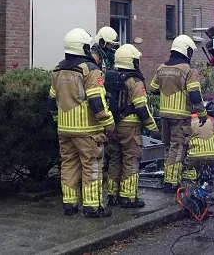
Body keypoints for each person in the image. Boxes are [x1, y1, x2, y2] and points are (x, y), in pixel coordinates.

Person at [48, 28, 117, 218]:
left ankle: (69, 205)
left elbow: (51, 102)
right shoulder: (90, 70)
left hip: (64, 129)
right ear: (84, 47)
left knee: (68, 165)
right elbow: (96, 102)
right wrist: (109, 122)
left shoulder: (57, 69)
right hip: (88, 130)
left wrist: (57, 120)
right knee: (92, 165)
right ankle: (92, 207)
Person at [149, 35, 208, 193]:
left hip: (164, 115)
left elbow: (153, 88)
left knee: (169, 148)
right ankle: (171, 182)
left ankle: (168, 178)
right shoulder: (188, 70)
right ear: (186, 51)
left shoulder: (161, 68)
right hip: (180, 116)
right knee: (179, 147)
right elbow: (195, 94)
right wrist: (202, 114)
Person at [104, 44, 160, 208]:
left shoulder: (111, 77)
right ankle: (128, 197)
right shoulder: (134, 81)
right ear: (133, 61)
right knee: (131, 159)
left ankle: (112, 195)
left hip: (112, 125)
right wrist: (153, 128)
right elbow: (142, 108)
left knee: (115, 160)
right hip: (129, 127)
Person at [181, 103, 214, 186]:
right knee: (211, 161)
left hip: (196, 154)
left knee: (189, 165)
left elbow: (183, 140)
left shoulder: (187, 121)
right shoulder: (210, 119)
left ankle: (192, 175)